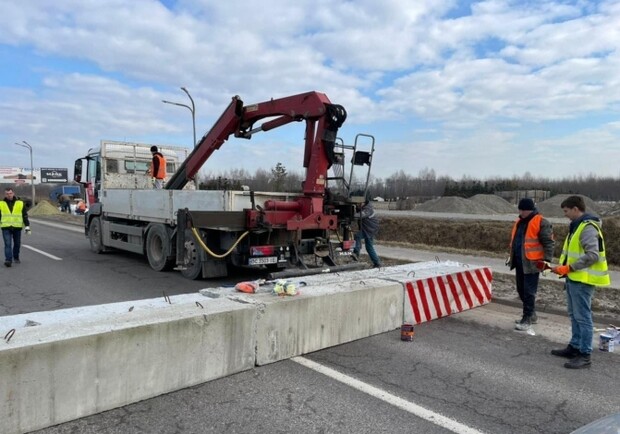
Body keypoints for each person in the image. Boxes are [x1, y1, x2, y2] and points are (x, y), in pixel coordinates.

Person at [550, 195, 610, 369]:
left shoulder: (588, 228)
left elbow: (593, 255)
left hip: (582, 280)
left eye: (566, 211)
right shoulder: (577, 226)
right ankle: (575, 347)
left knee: (583, 318)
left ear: (576, 209)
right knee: (574, 315)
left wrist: (569, 268)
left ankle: (585, 355)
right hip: (574, 278)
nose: (565, 215)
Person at [508, 198, 554, 331]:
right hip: (519, 261)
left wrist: (547, 261)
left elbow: (549, 243)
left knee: (529, 292)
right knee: (521, 290)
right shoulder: (519, 222)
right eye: (520, 210)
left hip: (533, 264)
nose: (521, 212)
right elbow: (516, 241)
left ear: (530, 209)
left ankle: (527, 318)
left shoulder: (541, 222)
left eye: (523, 210)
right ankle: (532, 315)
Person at [0, 187, 31, 267]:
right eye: (7, 194)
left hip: (17, 227)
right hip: (6, 227)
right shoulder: (1, 203)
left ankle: (16, 257)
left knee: (17, 244)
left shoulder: (20, 203)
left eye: (10, 193)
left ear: (13, 193)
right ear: (5, 194)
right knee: (7, 244)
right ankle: (8, 260)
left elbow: (24, 215)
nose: (9, 195)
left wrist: (27, 225)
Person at [353, 195, 382, 268]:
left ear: (364, 202)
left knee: (358, 236)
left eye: (359, 203)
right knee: (369, 247)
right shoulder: (364, 207)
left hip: (370, 229)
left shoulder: (368, 209)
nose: (358, 205)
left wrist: (349, 215)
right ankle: (377, 263)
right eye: (357, 204)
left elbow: (359, 215)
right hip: (368, 229)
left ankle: (356, 252)